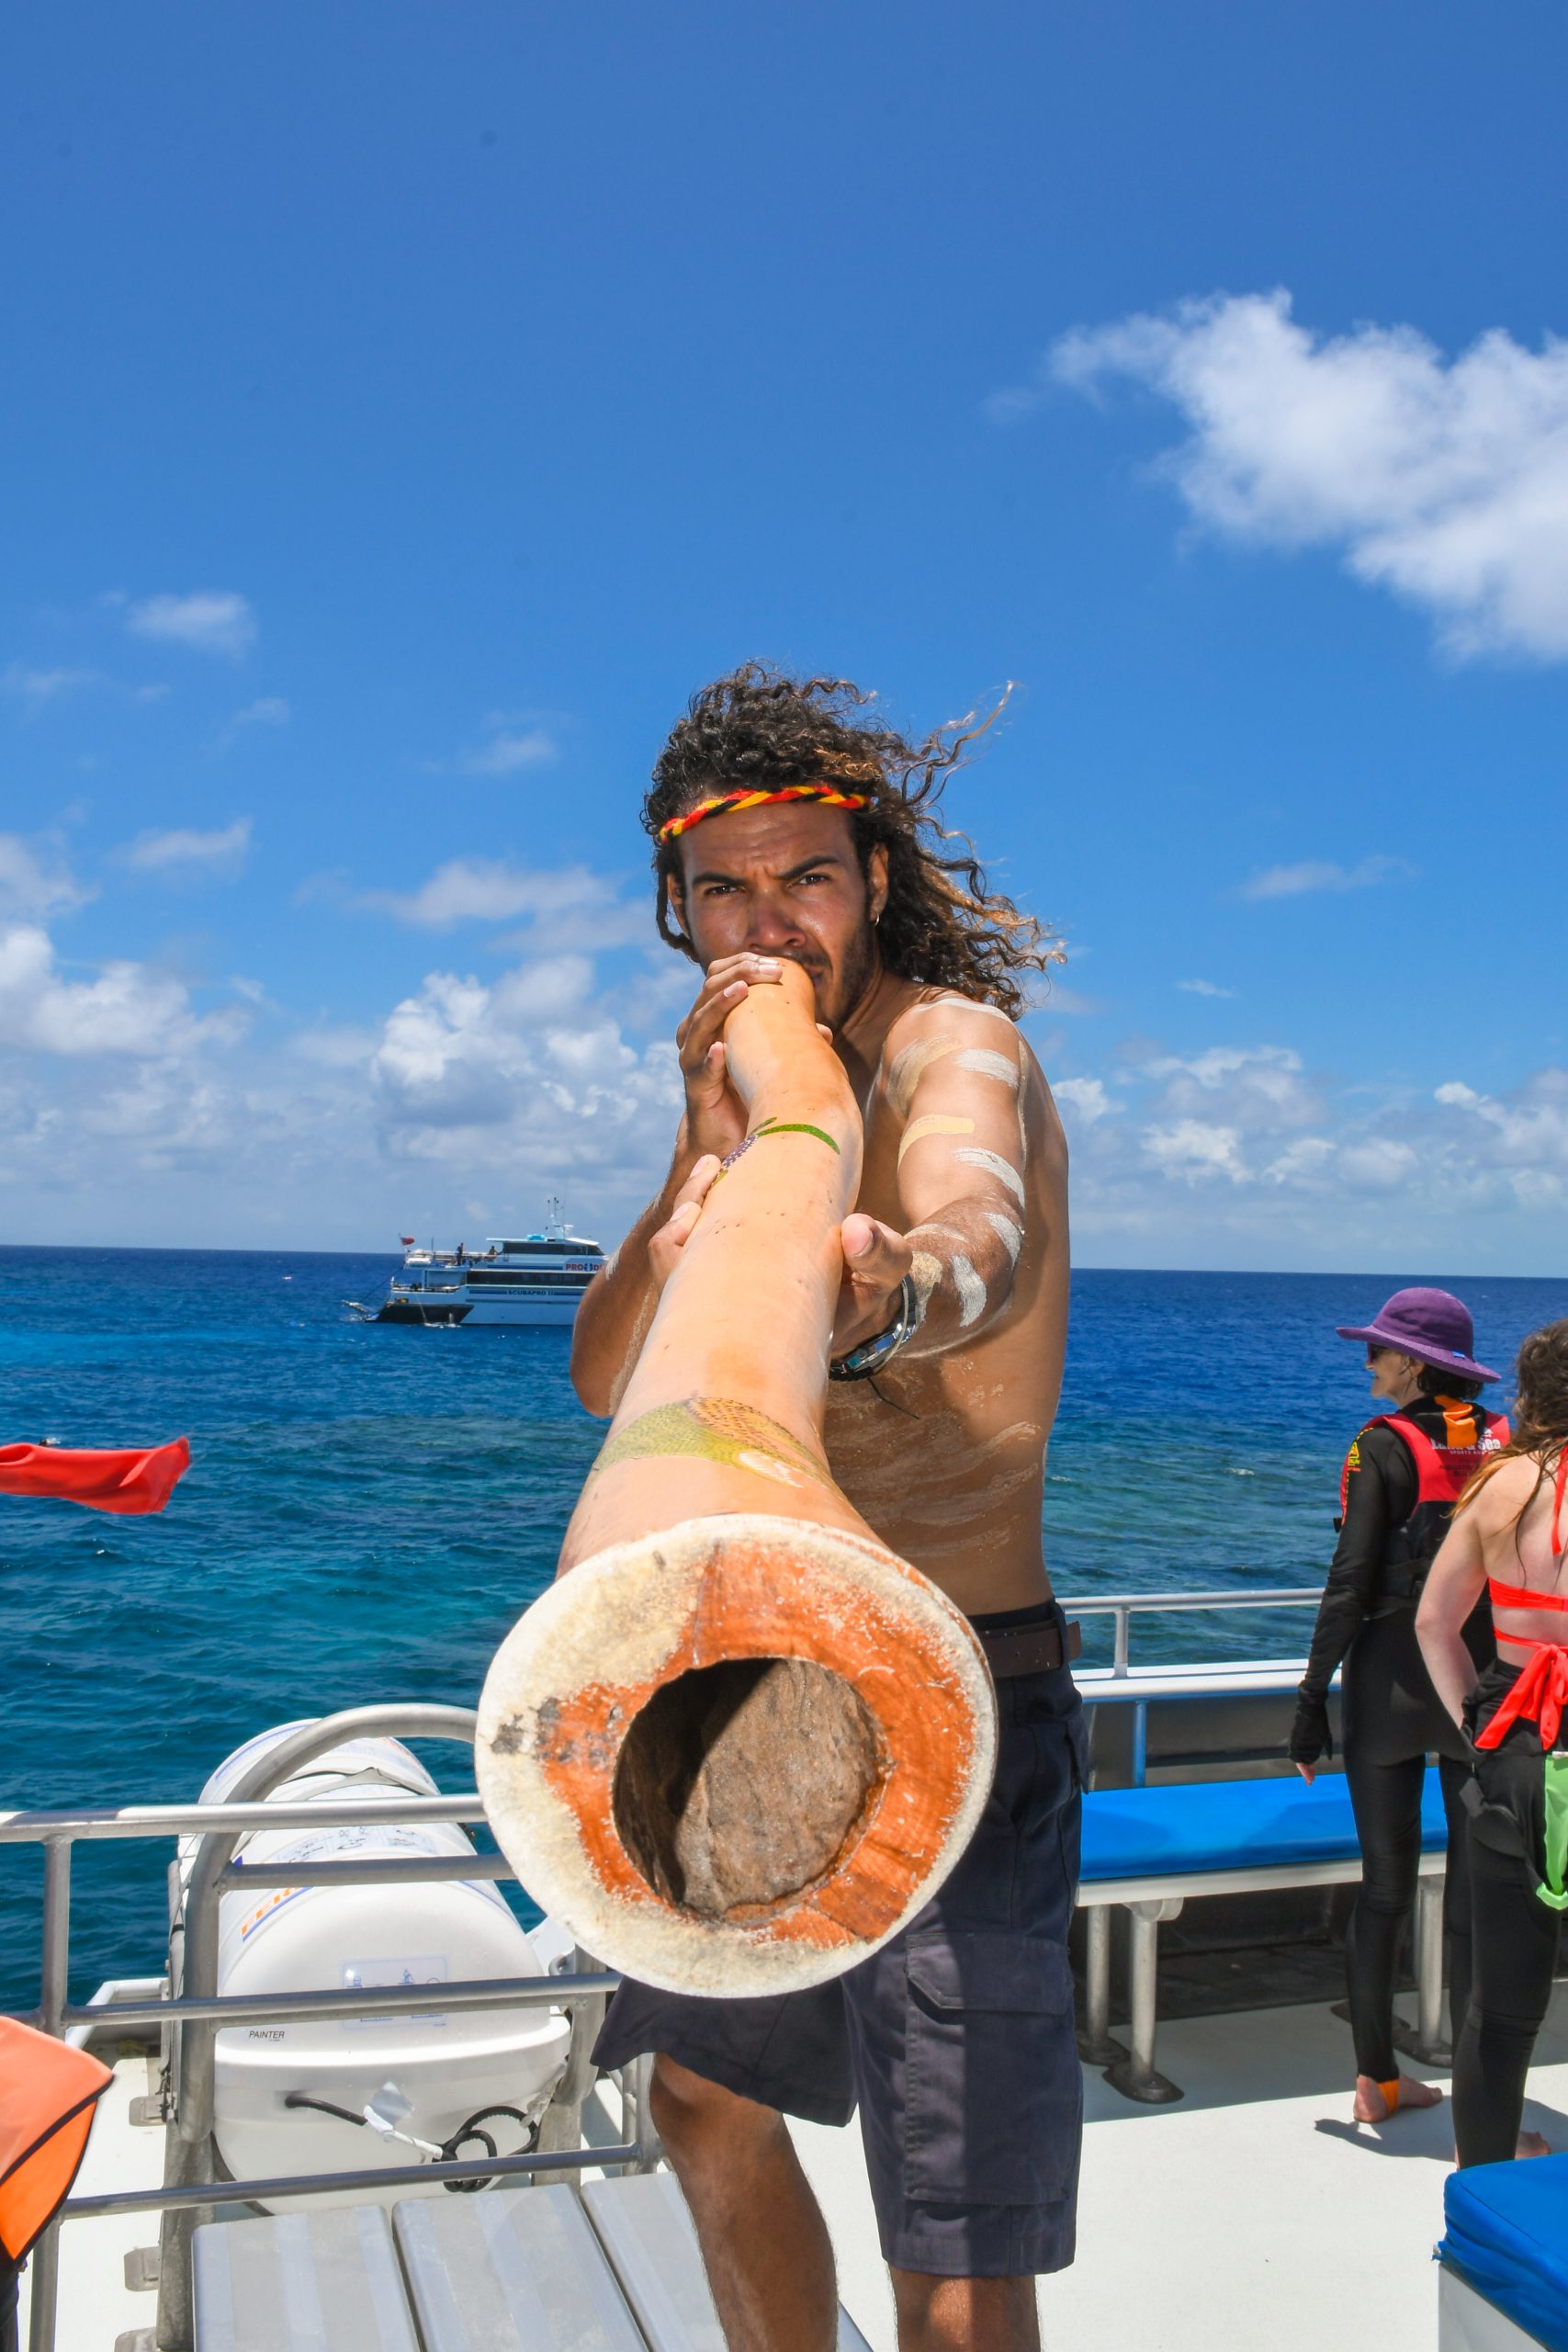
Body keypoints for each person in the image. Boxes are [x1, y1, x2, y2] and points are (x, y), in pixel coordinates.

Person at [570, 664, 1080, 2352]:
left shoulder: (954, 1046)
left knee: (949, 2255)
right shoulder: (735, 1087)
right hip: (761, 1669)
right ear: (679, 907)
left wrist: (888, 1282)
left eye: (805, 878)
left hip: (961, 1678)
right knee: (705, 2104)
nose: (766, 920)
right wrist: (691, 1152)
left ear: (872, 882)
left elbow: (974, 1231)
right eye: (726, 887)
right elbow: (603, 1379)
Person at [1289, 1288, 1508, 2124]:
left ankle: (1377, 2084)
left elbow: (1347, 1586)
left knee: (1383, 1890)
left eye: (1375, 1352)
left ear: (1411, 1365)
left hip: (1384, 1686)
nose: (1366, 1364)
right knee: (1473, 1896)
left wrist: (1310, 1702)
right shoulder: (1508, 1445)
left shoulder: (1377, 1448)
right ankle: (1479, 2105)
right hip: (1477, 1688)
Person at [1418, 1317, 1568, 2167]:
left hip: (1511, 1729)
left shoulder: (1497, 1486)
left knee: (1502, 2006)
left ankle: (1478, 2198)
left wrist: (1475, 1731)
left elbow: (1434, 1624)